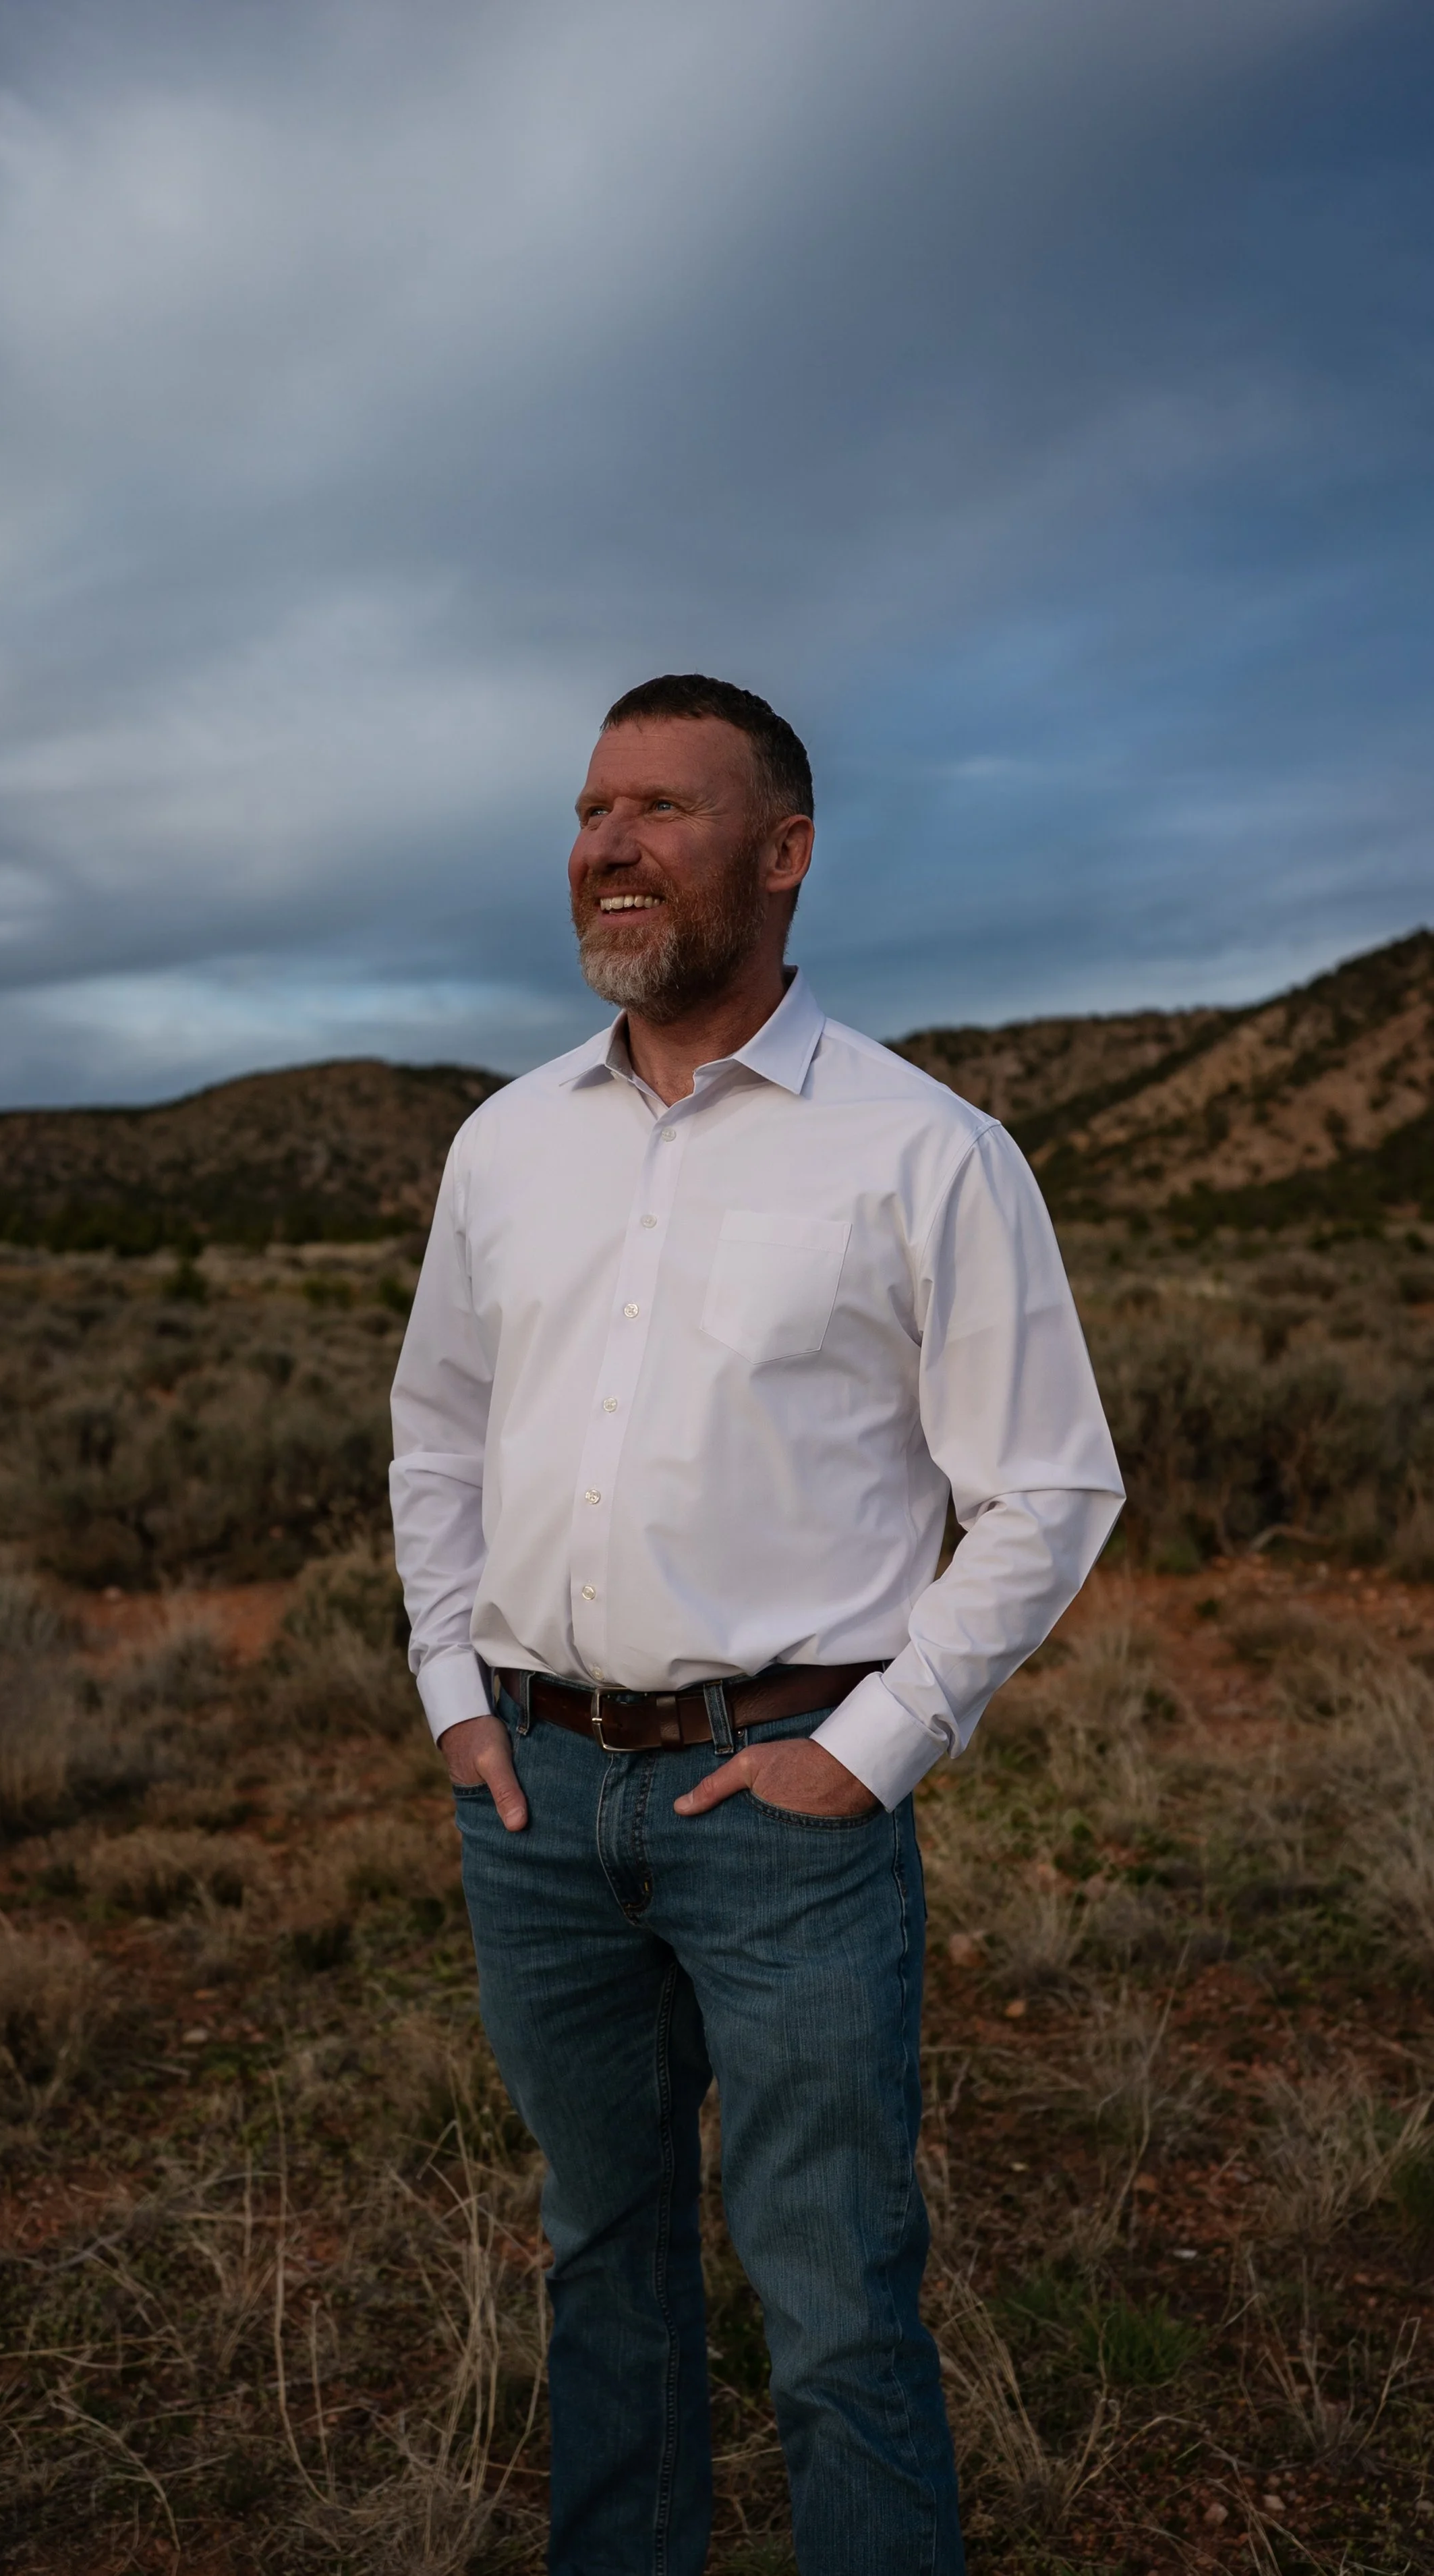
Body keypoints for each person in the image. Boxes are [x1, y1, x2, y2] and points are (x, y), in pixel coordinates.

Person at [389, 674, 1123, 2575]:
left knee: (835, 2290)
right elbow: (437, 1430)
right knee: (599, 2249)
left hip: (781, 1808)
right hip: (533, 1803)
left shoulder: (922, 1149)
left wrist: (864, 1754)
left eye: (662, 810)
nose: (606, 847)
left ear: (783, 854)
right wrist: (454, 1698)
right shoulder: (505, 1145)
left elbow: (1047, 1487)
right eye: (587, 808)